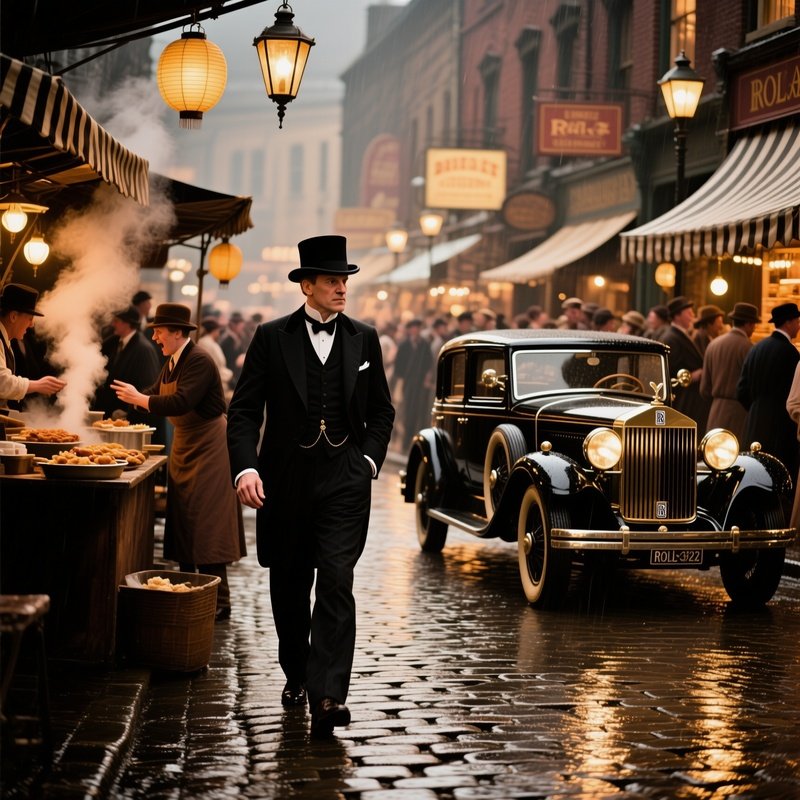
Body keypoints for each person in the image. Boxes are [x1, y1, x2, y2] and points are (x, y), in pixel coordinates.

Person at [226, 235, 394, 738]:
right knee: (291, 587)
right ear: (307, 286)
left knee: (337, 580)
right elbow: (244, 411)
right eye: (332, 280)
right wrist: (246, 468)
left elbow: (383, 410)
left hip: (344, 476)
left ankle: (328, 696)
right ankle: (297, 671)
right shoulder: (270, 336)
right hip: (286, 479)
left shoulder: (364, 338)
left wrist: (367, 459)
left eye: (345, 279)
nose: (342, 288)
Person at [111, 303, 245, 621]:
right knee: (184, 519)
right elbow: (155, 392)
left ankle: (219, 601)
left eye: (159, 330)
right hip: (186, 445)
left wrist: (141, 399)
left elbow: (181, 400)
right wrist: (130, 406)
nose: (155, 336)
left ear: (177, 332)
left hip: (211, 447)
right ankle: (189, 591)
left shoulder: (198, 359)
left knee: (208, 524)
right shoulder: (172, 360)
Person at [737, 301, 800, 479]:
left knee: (753, 476)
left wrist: (758, 408)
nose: (798, 326)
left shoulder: (756, 348)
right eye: (797, 321)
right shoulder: (790, 353)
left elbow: (741, 391)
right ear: (788, 323)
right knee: (777, 480)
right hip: (780, 428)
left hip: (753, 423)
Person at [94, 306, 163, 438]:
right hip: (112, 417)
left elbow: (148, 386)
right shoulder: (113, 342)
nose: (113, 324)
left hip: (130, 420)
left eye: (116, 320)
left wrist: (129, 411)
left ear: (127, 323)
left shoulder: (143, 349)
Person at [0, 283, 65, 412]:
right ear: (13, 316)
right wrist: (36, 385)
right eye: (30, 318)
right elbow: (2, 382)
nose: (32, 324)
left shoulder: (6, 340)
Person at [700, 302, 759, 441]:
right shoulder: (748, 347)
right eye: (754, 324)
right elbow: (752, 387)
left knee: (713, 457)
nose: (754, 329)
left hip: (715, 412)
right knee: (735, 457)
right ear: (749, 324)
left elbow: (704, 389)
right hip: (739, 414)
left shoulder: (713, 344)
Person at [660, 296, 710, 431]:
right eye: (689, 313)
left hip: (690, 398)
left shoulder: (681, 334)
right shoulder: (671, 337)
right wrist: (691, 375)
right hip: (683, 399)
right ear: (677, 316)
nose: (692, 316)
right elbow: (668, 371)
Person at [394, 318, 434, 450]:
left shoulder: (424, 345)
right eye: (413, 327)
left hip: (420, 384)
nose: (416, 330)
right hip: (407, 383)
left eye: (418, 327)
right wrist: (400, 382)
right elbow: (398, 365)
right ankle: (402, 440)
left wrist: (427, 377)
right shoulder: (404, 345)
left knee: (417, 412)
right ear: (410, 330)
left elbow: (429, 363)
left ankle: (411, 441)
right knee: (405, 411)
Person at [195, 316, 234, 402]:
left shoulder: (212, 343)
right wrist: (229, 376)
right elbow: (214, 366)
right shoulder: (205, 343)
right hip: (214, 384)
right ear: (215, 330)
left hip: (221, 380)